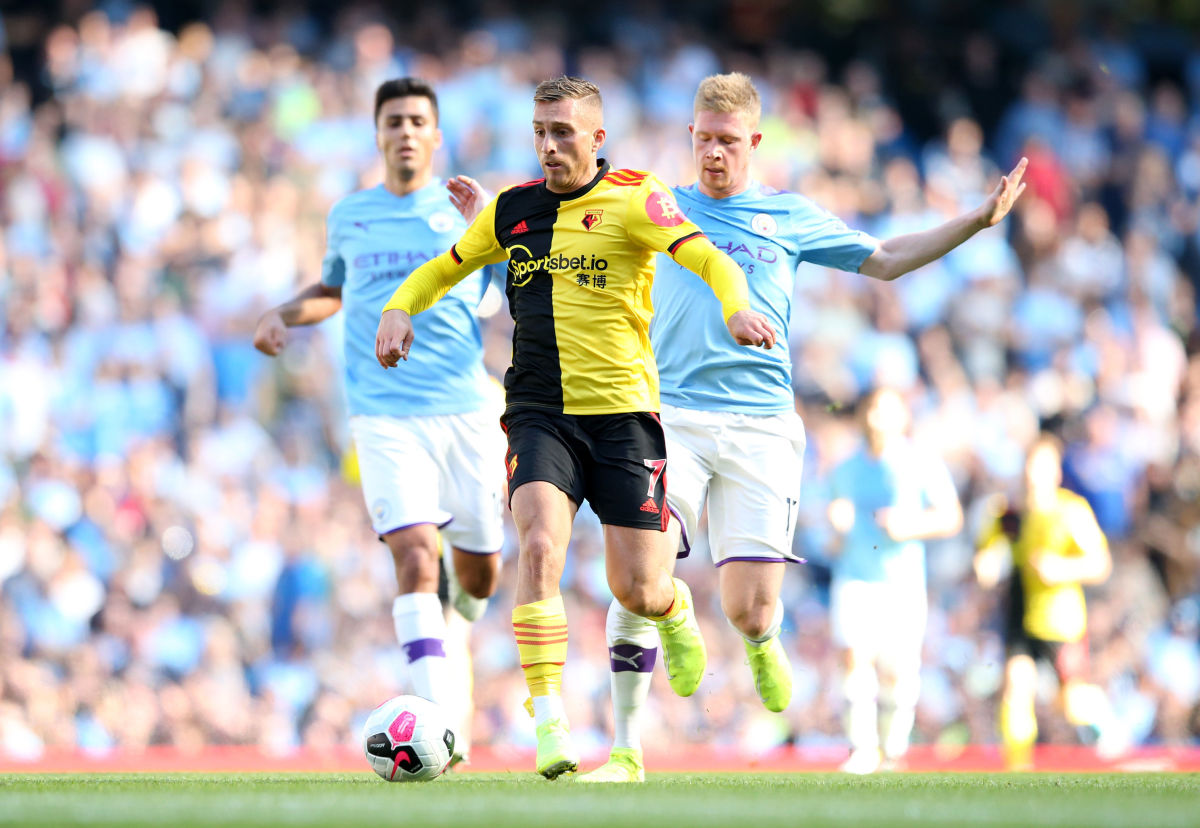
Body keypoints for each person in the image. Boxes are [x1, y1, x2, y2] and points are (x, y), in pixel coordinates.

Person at [579, 72, 1018, 782]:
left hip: (762, 429)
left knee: (749, 610)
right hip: (671, 420)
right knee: (634, 581)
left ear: (753, 142)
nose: (713, 153)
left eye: (727, 141)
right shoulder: (656, 208)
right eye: (702, 139)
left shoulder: (788, 217)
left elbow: (886, 260)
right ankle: (626, 750)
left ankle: (760, 639)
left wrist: (973, 221)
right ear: (689, 137)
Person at [375, 75, 777, 779]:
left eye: (564, 132)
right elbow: (443, 268)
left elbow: (708, 256)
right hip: (539, 415)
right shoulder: (512, 210)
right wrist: (398, 308)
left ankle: (674, 609)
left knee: (638, 591)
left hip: (623, 420)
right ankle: (550, 721)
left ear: (596, 138)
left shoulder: (634, 197)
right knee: (537, 546)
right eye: (540, 132)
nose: (550, 145)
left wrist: (736, 307)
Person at [253, 78, 504, 764]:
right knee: (416, 556)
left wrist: (494, 231)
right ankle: (442, 724)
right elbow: (334, 290)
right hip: (383, 414)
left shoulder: (466, 210)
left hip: (467, 411)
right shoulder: (350, 215)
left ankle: (466, 605)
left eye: (418, 120)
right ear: (378, 133)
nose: (405, 131)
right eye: (394, 120)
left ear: (436, 135)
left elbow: (514, 292)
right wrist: (283, 313)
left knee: (480, 575)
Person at [826, 388, 963, 774]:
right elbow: (834, 539)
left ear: (903, 417)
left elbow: (951, 517)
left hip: (902, 582)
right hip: (854, 577)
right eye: (871, 409)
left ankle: (893, 750)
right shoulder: (845, 469)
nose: (876, 419)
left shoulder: (920, 463)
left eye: (886, 411)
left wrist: (909, 526)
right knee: (854, 656)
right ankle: (861, 748)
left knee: (898, 668)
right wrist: (836, 526)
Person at [975, 433, 1119, 771]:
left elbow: (1100, 564)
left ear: (1054, 472)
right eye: (1028, 465)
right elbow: (988, 552)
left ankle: (1111, 733)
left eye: (1040, 466)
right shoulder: (1007, 513)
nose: (1031, 474)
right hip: (1020, 612)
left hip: (1060, 618)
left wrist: (1061, 568)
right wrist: (985, 564)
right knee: (1015, 686)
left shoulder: (1071, 511)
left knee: (1070, 701)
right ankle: (1018, 770)